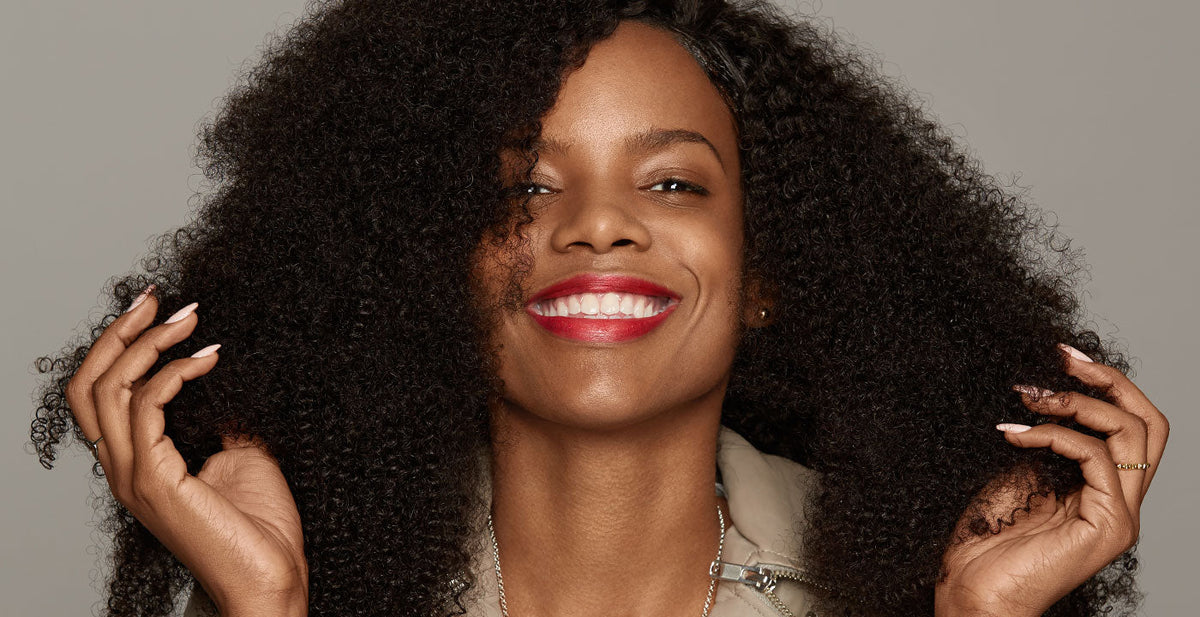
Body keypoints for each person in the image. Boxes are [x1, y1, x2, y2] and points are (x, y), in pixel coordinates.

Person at [29, 1, 1168, 616]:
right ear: (429, 266)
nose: (599, 225)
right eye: (526, 184)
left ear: (768, 268)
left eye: (671, 182)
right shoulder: (313, 584)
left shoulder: (920, 592)